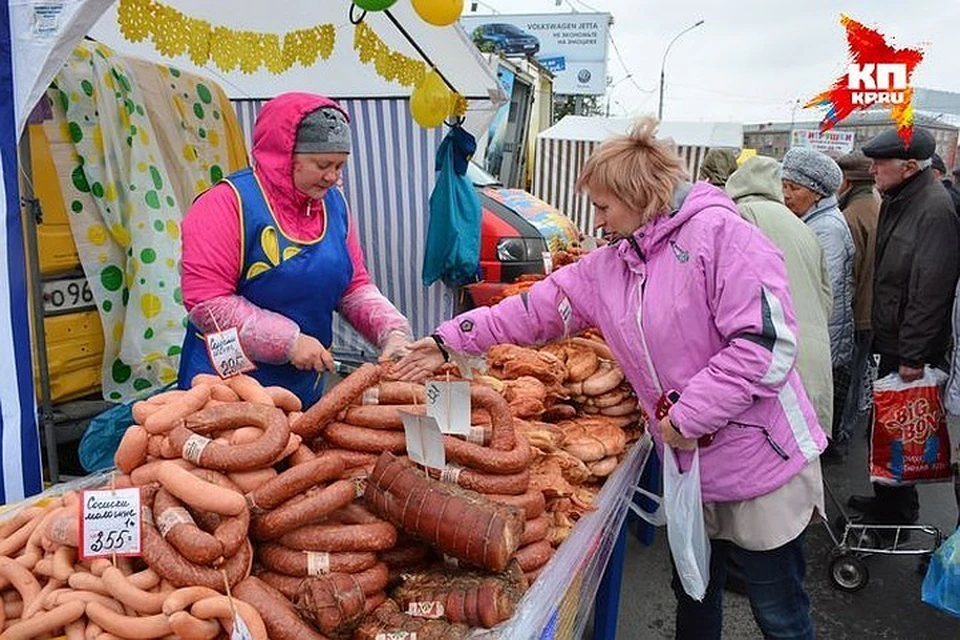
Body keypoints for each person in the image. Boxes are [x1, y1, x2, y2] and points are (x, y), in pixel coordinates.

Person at [397, 117, 826, 640]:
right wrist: (449, 338)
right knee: (694, 592)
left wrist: (687, 415)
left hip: (761, 461)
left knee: (777, 607)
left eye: (603, 206)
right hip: (690, 464)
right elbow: (535, 308)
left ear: (641, 195)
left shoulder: (724, 236)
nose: (596, 221)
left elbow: (765, 344)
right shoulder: (613, 264)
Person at [177, 93, 413, 407]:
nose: (332, 177)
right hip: (224, 387)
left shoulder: (334, 206)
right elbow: (208, 302)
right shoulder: (225, 203)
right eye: (323, 164)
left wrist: (391, 331)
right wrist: (288, 342)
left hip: (303, 386)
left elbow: (353, 286)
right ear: (286, 155)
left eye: (340, 166)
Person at [847, 127, 960, 525]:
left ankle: (895, 514)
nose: (873, 169)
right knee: (888, 426)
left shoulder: (934, 209)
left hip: (910, 347)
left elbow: (930, 289)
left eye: (880, 163)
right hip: (894, 338)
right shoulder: (902, 199)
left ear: (910, 167)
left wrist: (912, 353)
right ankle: (887, 502)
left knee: (899, 430)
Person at [781, 147, 855, 459]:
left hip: (825, 336)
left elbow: (822, 289)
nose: (786, 195)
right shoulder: (810, 220)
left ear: (816, 192)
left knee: (817, 416)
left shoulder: (828, 228)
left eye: (794, 188)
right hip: (816, 332)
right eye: (783, 186)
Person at [835, 151, 881, 444]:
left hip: (858, 312)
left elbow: (847, 276)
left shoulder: (852, 216)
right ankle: (847, 430)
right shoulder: (875, 205)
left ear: (847, 180)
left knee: (848, 378)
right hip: (873, 309)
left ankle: (841, 434)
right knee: (858, 372)